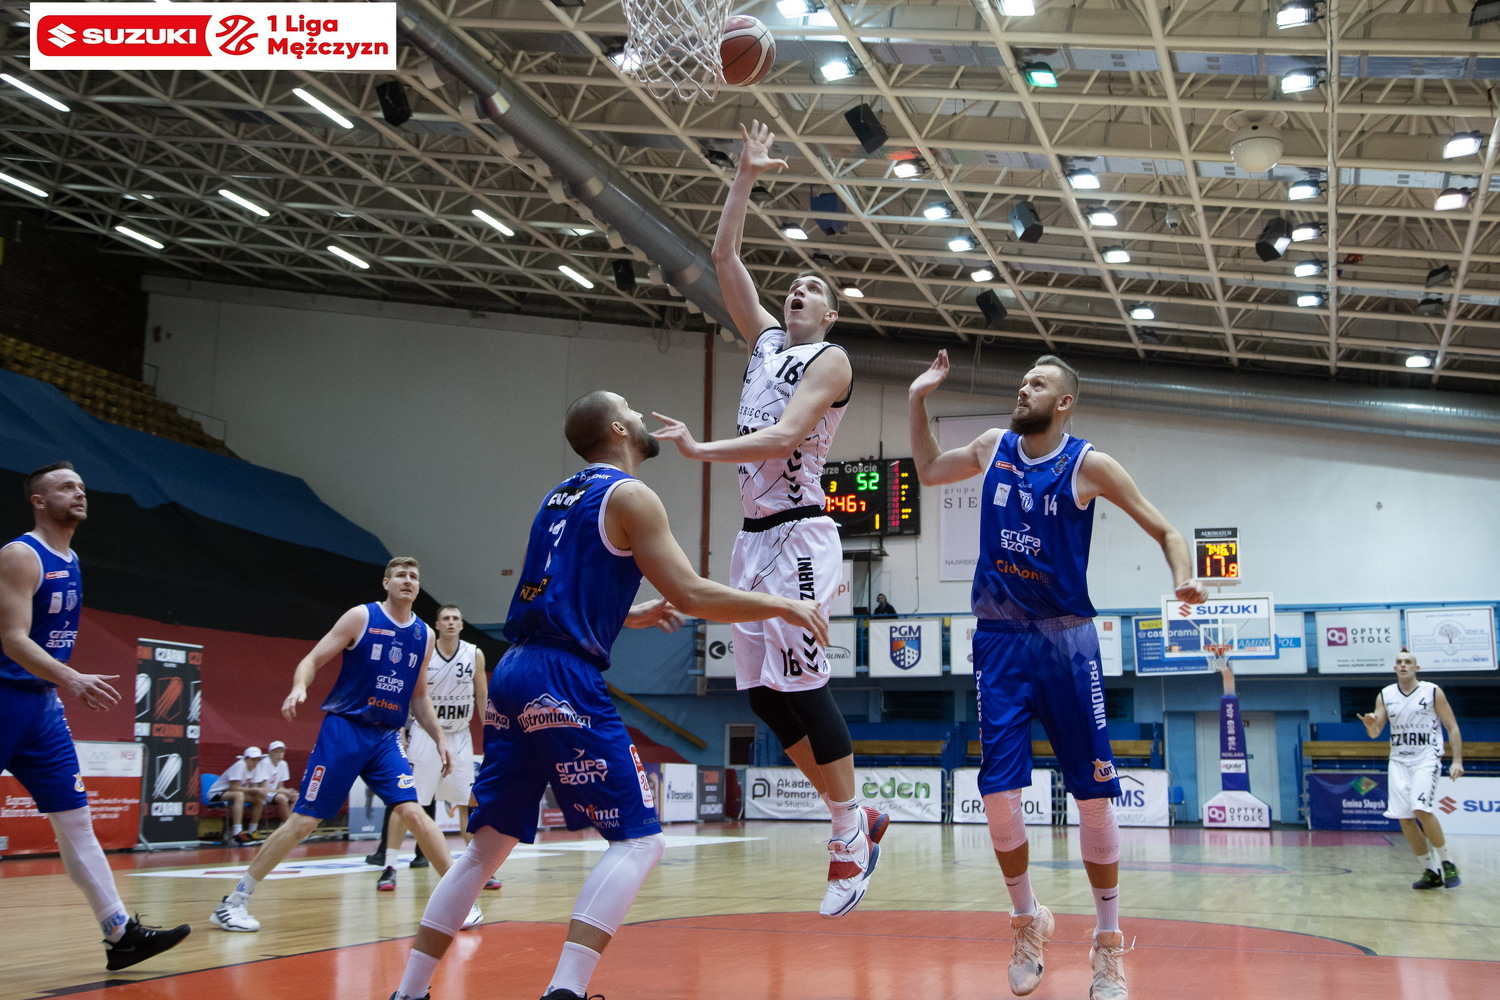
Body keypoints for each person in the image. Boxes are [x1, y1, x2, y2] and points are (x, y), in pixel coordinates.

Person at [386, 390, 828, 1000]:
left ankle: (408, 993)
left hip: (514, 669)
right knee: (641, 840)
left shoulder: (557, 497)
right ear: (619, 429)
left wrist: (626, 614)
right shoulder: (630, 495)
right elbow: (693, 594)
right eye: (632, 410)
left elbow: (551, 595)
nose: (642, 416)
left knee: (485, 847)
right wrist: (783, 604)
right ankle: (565, 991)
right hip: (561, 677)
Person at [909, 352, 1206, 1000]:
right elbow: (928, 470)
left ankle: (1107, 943)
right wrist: (916, 400)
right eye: (1023, 380)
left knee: (1093, 798)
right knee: (998, 795)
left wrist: (1183, 579)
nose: (1024, 388)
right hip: (999, 642)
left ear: (1064, 401)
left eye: (1038, 383)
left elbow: (1167, 530)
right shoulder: (993, 447)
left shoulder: (1087, 465)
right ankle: (1026, 920)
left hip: (1067, 643)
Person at [651, 119, 887, 919]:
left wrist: (698, 449)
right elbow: (724, 258)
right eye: (794, 285)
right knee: (760, 697)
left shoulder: (831, 360)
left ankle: (848, 837)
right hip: (752, 542)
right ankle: (857, 815)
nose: (799, 290)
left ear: (832, 313)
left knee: (807, 687)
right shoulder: (763, 344)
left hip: (803, 536)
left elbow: (786, 437)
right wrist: (745, 176)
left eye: (814, 288)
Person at [209, 557, 482, 933]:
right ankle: (234, 901)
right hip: (345, 730)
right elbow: (312, 659)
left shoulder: (424, 634)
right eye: (400, 575)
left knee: (415, 813)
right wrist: (299, 686)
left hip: (386, 738)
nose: (407, 580)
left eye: (414, 576)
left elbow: (419, 696)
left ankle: (459, 903)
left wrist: (439, 739)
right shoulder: (361, 617)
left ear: (418, 587)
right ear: (386, 583)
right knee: (305, 821)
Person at [0, 461, 191, 970]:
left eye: (81, 486)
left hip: (40, 706)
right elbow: (12, 639)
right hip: (4, 696)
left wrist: (60, 681)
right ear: (39, 501)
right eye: (65, 487)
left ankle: (120, 933)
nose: (79, 493)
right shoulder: (20, 555)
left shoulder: (72, 557)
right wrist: (73, 677)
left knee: (76, 821)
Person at [374, 604, 502, 894]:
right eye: (446, 618)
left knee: (468, 803)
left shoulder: (474, 654)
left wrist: (491, 736)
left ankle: (480, 868)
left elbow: (482, 697)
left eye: (456, 618)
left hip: (460, 736)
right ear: (437, 624)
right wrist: (401, 727)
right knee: (406, 802)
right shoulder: (424, 651)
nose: (451, 622)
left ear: (461, 624)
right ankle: (389, 867)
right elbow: (407, 692)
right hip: (426, 735)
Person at [1358, 649, 1464, 890]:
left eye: (1408, 662)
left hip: (1426, 758)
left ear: (1417, 668)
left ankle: (1447, 862)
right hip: (1398, 761)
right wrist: (1370, 725)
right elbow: (1375, 733)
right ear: (1395, 668)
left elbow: (1452, 727)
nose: (1403, 665)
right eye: (1399, 662)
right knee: (1405, 819)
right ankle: (1430, 870)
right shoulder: (1385, 694)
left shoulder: (1432, 691)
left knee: (1420, 808)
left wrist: (1457, 760)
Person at [206, 745, 269, 844]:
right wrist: (255, 790)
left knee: (258, 799)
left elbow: (252, 788)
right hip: (216, 794)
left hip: (232, 793)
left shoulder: (256, 768)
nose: (255, 762)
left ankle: (252, 831)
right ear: (246, 759)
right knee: (239, 795)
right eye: (253, 759)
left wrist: (259, 791)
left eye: (257, 760)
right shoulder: (240, 765)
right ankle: (237, 833)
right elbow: (234, 788)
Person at [261, 739, 297, 831]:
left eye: (281, 751)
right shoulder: (265, 763)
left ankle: (284, 825)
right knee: (282, 798)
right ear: (270, 753)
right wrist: (283, 792)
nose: (279, 754)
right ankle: (289, 828)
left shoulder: (283, 764)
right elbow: (262, 788)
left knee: (296, 796)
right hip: (262, 793)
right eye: (276, 752)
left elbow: (281, 787)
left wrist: (288, 791)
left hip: (274, 793)